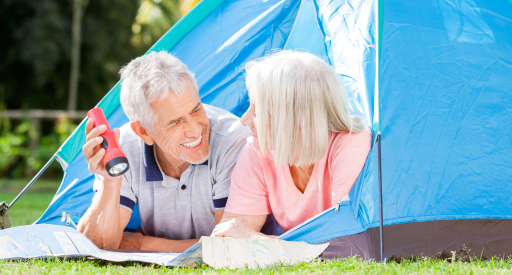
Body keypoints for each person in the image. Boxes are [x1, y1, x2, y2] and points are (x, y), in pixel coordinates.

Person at [77, 51, 251, 252]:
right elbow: (95, 246)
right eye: (176, 122)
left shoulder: (232, 141)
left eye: (196, 109)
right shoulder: (125, 147)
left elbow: (231, 246)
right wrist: (110, 181)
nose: (196, 130)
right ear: (143, 132)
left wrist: (141, 243)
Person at [212, 51, 372, 239]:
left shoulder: (350, 142)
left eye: (258, 110)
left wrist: (257, 240)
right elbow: (230, 233)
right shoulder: (258, 150)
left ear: (293, 118)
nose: (244, 120)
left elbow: (347, 239)